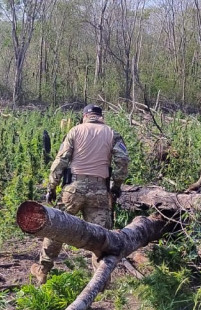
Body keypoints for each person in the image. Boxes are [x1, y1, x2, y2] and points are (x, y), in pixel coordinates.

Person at [30, 104, 129, 285]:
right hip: (100, 191)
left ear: (84, 116)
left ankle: (43, 269)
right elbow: (122, 160)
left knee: (57, 228)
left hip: (73, 189)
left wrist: (51, 187)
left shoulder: (75, 131)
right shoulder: (112, 133)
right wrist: (116, 185)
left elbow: (61, 160)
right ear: (101, 117)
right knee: (102, 238)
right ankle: (101, 281)